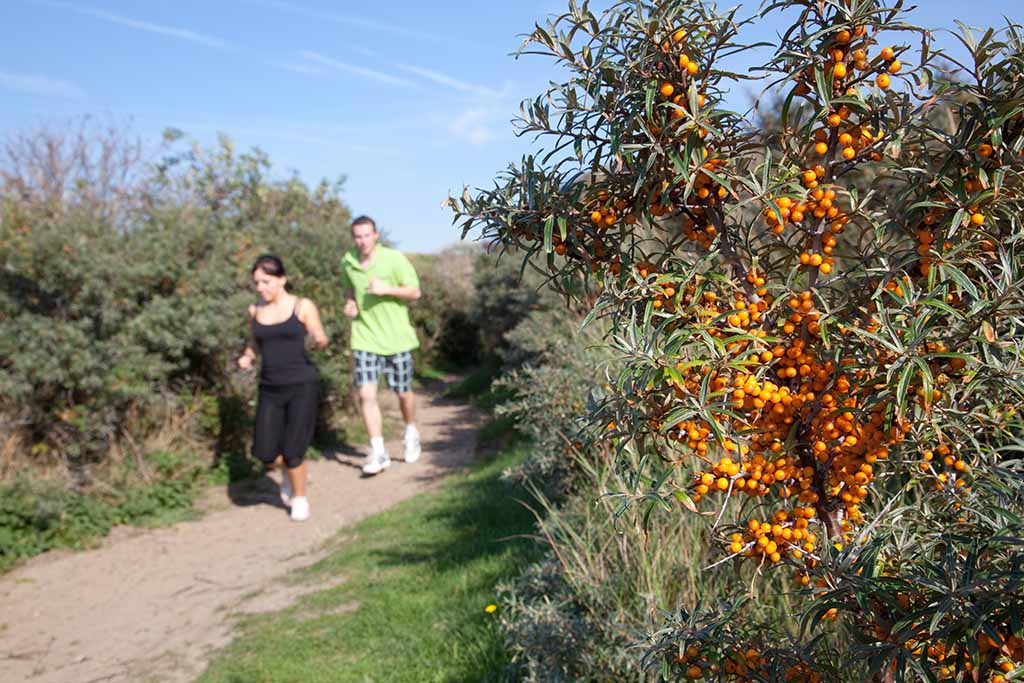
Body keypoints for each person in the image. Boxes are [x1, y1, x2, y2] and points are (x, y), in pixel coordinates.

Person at [237, 254, 328, 521]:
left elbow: (318, 335)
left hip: (302, 385)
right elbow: (254, 343)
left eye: (265, 281)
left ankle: (299, 498)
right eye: (257, 282)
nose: (260, 288)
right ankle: (289, 475)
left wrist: (319, 339)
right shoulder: (255, 310)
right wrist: (247, 356)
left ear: (281, 280)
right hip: (270, 387)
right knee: (265, 452)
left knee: (293, 450)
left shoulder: (302, 306)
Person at [341, 215, 422, 475]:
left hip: (396, 338)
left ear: (376, 235)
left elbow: (415, 292)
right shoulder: (348, 261)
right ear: (353, 237)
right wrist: (350, 303)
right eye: (358, 236)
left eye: (367, 235)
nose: (362, 241)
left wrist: (387, 289)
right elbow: (349, 291)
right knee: (366, 394)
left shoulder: (394, 259)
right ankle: (378, 451)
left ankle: (410, 431)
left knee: (403, 393)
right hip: (364, 336)